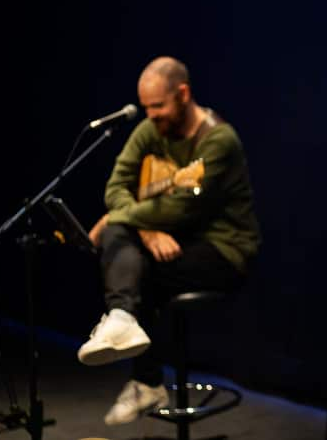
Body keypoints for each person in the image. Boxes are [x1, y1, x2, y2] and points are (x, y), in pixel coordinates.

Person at [79, 56, 261, 425]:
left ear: (183, 94)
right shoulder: (150, 129)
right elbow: (115, 188)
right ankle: (124, 323)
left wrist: (121, 218)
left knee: (128, 259)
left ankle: (140, 367)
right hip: (169, 240)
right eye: (146, 108)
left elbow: (180, 211)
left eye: (158, 106)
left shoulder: (218, 139)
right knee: (122, 241)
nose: (152, 116)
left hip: (223, 250)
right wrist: (145, 230)